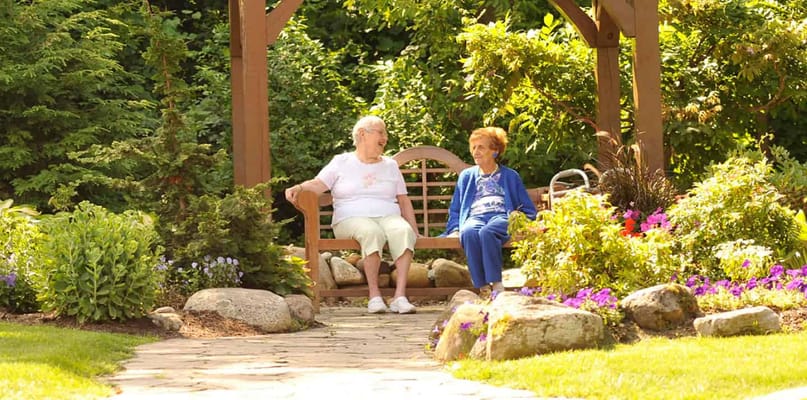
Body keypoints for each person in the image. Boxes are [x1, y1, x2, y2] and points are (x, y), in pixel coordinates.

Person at [285, 116, 418, 314]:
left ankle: (400, 296)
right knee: (372, 232)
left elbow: (403, 199)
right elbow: (318, 184)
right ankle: (374, 296)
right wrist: (299, 187)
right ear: (363, 134)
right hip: (350, 219)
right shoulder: (341, 162)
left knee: (403, 231)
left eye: (385, 133)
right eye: (381, 132)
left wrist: (414, 229)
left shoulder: (390, 165)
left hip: (388, 216)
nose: (385, 138)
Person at [442, 127, 537, 293]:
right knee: (469, 232)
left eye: (481, 147)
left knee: (488, 232)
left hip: (501, 216)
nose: (476, 152)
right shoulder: (466, 176)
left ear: (495, 151)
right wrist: (455, 229)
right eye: (473, 147)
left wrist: (522, 220)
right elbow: (456, 208)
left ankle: (496, 283)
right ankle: (482, 286)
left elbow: (527, 208)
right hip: (475, 217)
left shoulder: (510, 176)